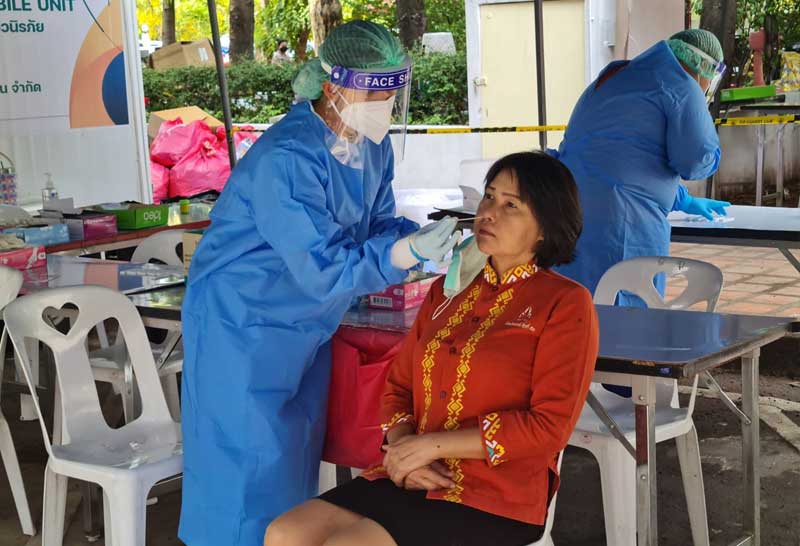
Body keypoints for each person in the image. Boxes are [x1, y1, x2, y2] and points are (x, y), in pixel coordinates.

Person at [179, 21, 461, 546]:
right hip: (242, 324)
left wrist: (424, 240)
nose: (386, 106)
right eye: (375, 94)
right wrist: (404, 254)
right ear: (333, 87)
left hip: (309, 324)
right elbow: (323, 266)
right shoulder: (286, 157)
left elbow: (376, 225)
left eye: (392, 94)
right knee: (242, 469)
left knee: (293, 458)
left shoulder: (372, 147)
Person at [264, 151, 600, 546]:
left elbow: (548, 428)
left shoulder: (565, 302)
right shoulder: (447, 290)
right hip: (414, 472)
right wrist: (404, 451)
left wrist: (427, 447)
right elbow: (398, 387)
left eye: (511, 205)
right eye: (489, 196)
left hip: (498, 492)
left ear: (545, 227)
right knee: (284, 533)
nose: (489, 213)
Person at [553, 29, 731, 306]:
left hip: (565, 211)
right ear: (704, 69)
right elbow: (696, 159)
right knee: (628, 315)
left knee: (573, 310)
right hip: (622, 225)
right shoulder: (682, 86)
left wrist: (683, 200)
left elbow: (621, 160)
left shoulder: (615, 76)